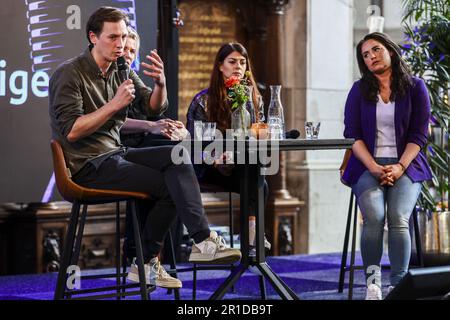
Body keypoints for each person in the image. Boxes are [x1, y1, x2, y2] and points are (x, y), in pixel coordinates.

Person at [49, 6, 241, 290]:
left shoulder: (120, 68)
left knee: (177, 155)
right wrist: (114, 104)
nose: (121, 44)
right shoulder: (70, 73)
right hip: (86, 166)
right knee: (169, 185)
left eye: (124, 36)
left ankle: (199, 242)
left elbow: (152, 106)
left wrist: (160, 83)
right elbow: (73, 130)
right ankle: (149, 260)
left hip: (115, 154)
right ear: (93, 37)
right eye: (113, 37)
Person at [342, 32, 432, 300]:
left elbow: (419, 135)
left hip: (407, 164)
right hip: (366, 165)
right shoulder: (359, 90)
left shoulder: (416, 87)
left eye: (376, 50)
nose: (371, 57)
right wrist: (372, 166)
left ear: (390, 51)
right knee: (374, 217)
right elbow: (352, 135)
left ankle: (399, 285)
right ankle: (373, 285)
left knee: (398, 218)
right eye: (365, 55)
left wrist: (400, 167)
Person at [186, 42, 270, 250]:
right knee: (257, 179)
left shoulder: (253, 99)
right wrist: (215, 159)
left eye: (242, 63)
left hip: (241, 165)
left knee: (257, 177)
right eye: (232, 62)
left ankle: (251, 235)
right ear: (220, 66)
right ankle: (253, 237)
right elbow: (196, 147)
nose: (238, 67)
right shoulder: (204, 101)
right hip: (210, 167)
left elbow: (258, 136)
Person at [120, 26, 188, 147]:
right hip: (119, 145)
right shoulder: (103, 75)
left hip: (138, 140)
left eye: (132, 51)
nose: (128, 55)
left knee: (182, 138)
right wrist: (151, 126)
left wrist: (160, 84)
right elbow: (111, 121)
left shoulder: (129, 73)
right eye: (124, 49)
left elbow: (153, 106)